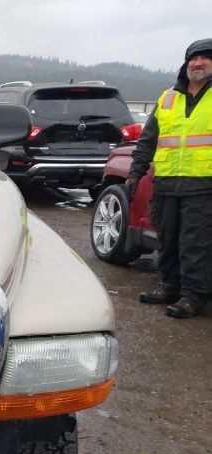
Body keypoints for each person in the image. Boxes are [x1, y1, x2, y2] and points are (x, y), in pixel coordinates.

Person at [128, 38, 212, 318]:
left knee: (195, 244)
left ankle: (193, 296)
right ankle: (169, 287)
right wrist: (135, 173)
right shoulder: (168, 97)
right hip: (166, 183)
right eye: (193, 59)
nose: (198, 63)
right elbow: (148, 139)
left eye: (204, 58)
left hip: (203, 184)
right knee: (167, 238)